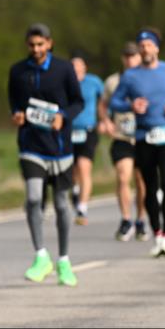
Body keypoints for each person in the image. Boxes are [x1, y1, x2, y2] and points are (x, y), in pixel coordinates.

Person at [7, 23, 83, 287]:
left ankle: (63, 260)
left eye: (41, 44)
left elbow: (78, 102)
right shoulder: (17, 71)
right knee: (33, 198)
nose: (36, 49)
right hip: (31, 146)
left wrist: (63, 117)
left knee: (62, 204)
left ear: (49, 43)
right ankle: (41, 256)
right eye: (32, 45)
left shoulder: (64, 69)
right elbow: (14, 103)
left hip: (60, 149)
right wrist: (16, 115)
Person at [109, 27, 165, 258]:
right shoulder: (131, 76)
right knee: (150, 188)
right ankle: (157, 233)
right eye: (141, 46)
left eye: (148, 45)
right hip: (144, 135)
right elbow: (115, 102)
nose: (145, 49)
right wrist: (130, 106)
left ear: (156, 48)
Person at [101, 43, 149, 241]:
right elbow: (102, 105)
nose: (130, 60)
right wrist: (105, 121)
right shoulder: (113, 82)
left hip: (143, 136)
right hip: (121, 136)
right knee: (123, 177)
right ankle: (126, 219)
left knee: (141, 181)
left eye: (134, 56)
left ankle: (141, 219)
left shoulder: (148, 79)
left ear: (140, 58)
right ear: (123, 59)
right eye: (127, 56)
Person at [69, 52, 106, 225]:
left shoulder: (94, 82)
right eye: (73, 68)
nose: (76, 71)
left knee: (84, 167)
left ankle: (82, 208)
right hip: (68, 130)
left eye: (79, 67)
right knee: (72, 170)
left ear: (84, 68)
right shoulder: (65, 83)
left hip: (88, 130)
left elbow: (103, 102)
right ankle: (75, 190)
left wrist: (104, 119)